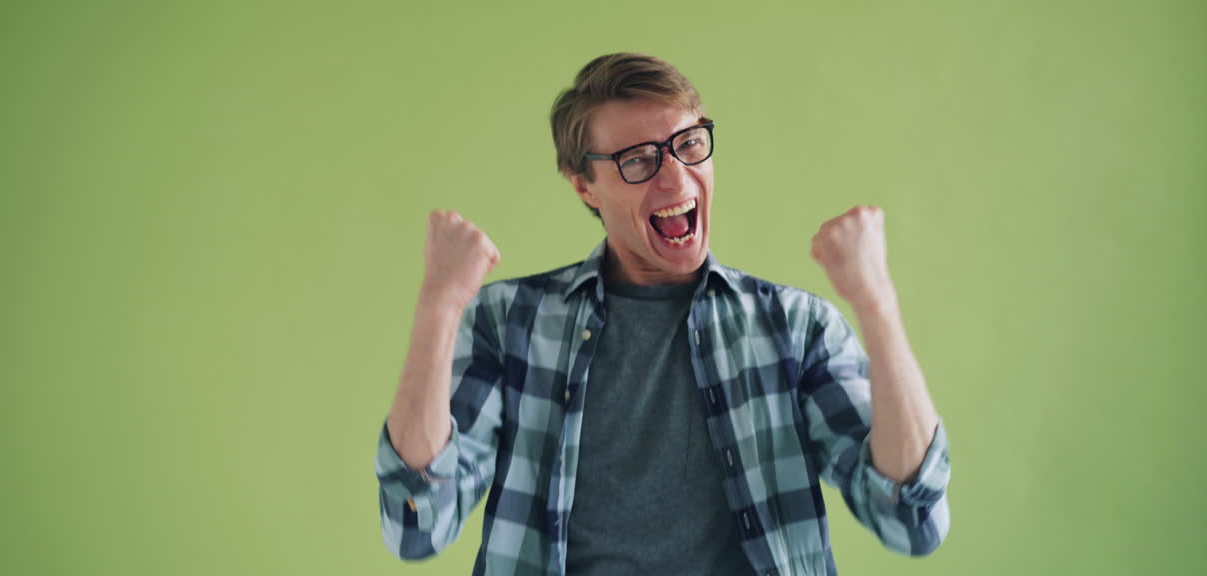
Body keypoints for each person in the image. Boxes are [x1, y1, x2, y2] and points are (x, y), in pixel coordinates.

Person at [375, 53, 950, 575]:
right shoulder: (510, 324)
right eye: (637, 160)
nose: (675, 176)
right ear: (585, 187)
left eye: (690, 143)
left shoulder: (794, 329)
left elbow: (910, 518)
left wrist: (878, 308)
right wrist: (439, 307)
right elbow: (416, 525)